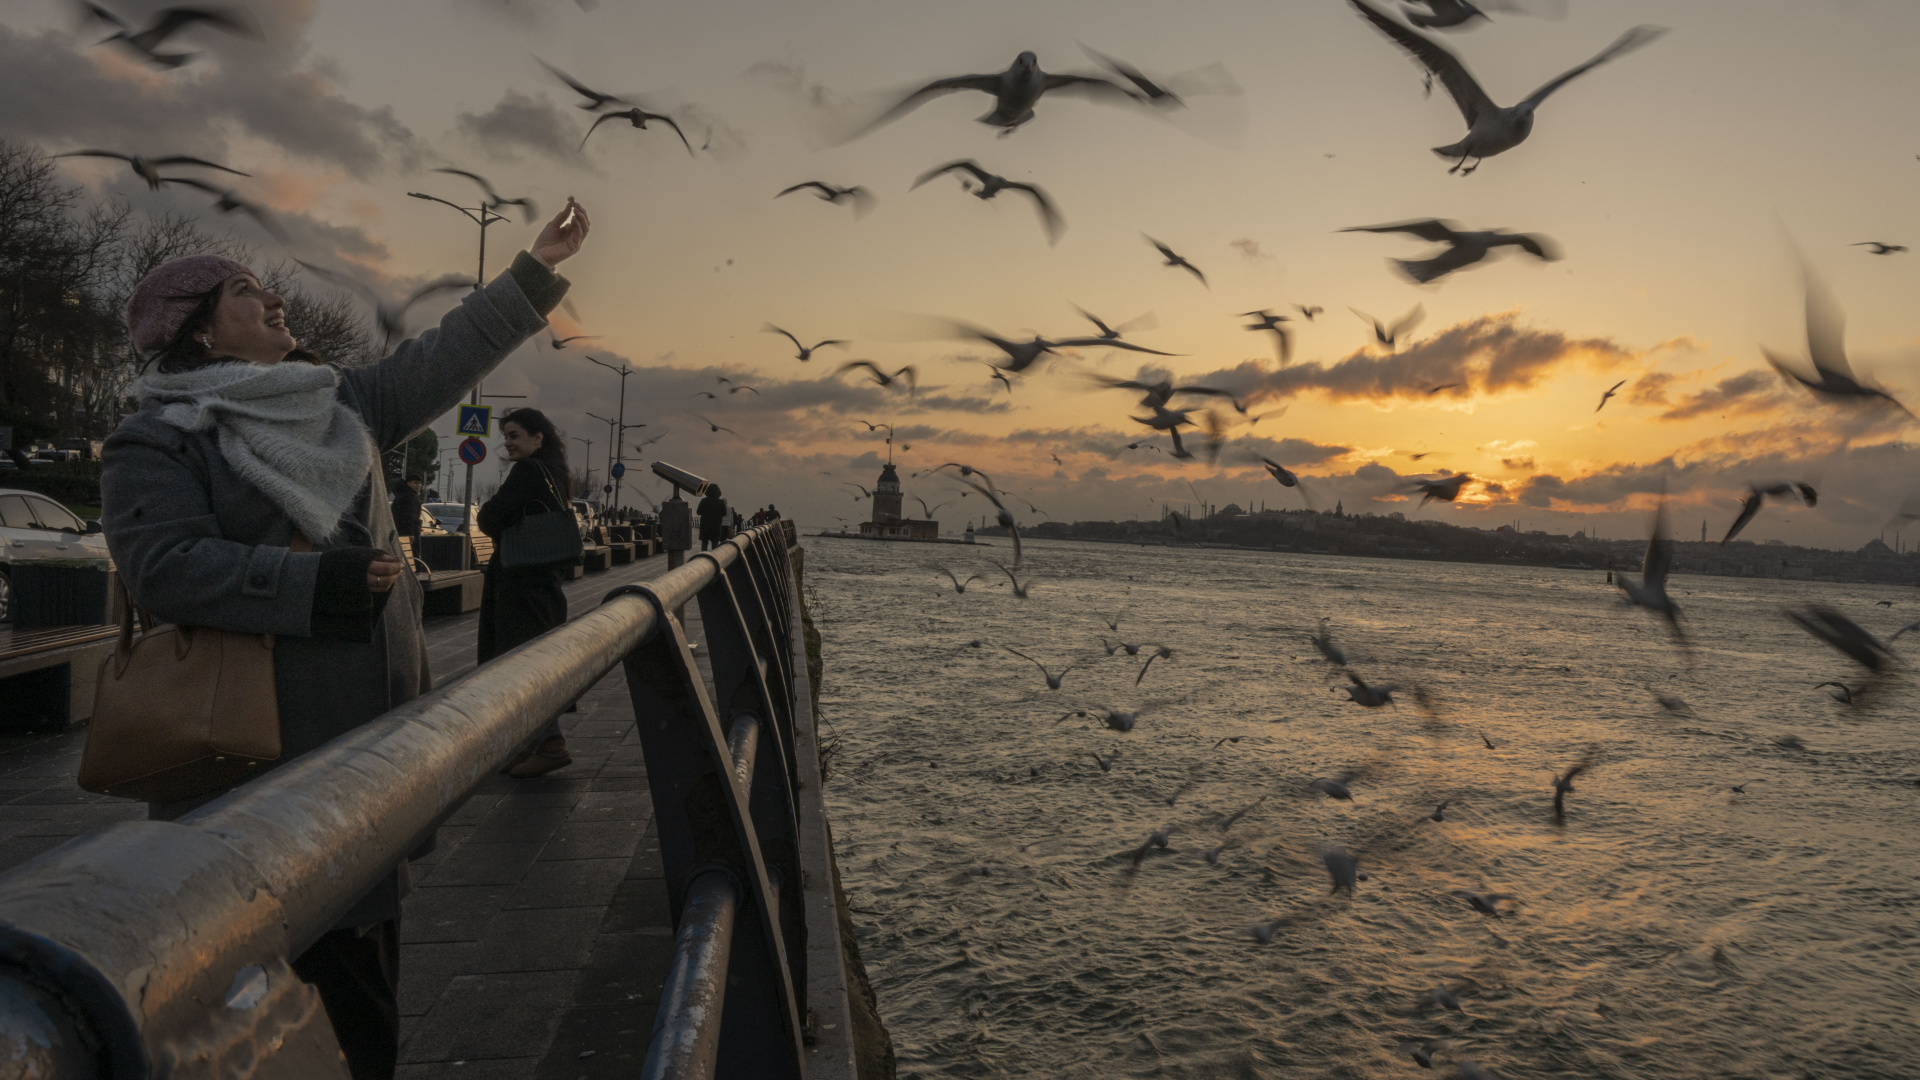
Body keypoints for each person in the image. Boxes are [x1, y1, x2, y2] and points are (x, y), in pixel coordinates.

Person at [100, 201, 591, 1080]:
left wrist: (532, 272)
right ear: (202, 335)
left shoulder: (342, 403)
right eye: (247, 295)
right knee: (257, 1005)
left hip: (365, 750)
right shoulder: (157, 437)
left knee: (362, 997)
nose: (275, 302)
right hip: (249, 760)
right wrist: (311, 585)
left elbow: (443, 358)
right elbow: (161, 568)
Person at [479, 408, 575, 778]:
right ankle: (526, 744)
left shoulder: (528, 472)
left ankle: (550, 744)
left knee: (520, 663)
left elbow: (490, 517)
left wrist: (489, 513)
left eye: (516, 435)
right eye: (506, 436)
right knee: (529, 660)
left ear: (539, 438)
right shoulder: (553, 473)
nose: (509, 442)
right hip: (542, 581)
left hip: (519, 584)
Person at [696, 484, 728, 551]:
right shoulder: (721, 502)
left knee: (704, 543)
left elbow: (698, 512)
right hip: (716, 526)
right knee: (715, 544)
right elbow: (724, 513)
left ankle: (703, 557)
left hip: (705, 525)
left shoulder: (704, 501)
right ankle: (713, 559)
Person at [392, 474, 425, 538]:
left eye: (420, 483)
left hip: (397, 530)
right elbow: (409, 515)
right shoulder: (411, 496)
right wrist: (410, 533)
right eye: (415, 483)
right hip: (407, 533)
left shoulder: (401, 494)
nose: (418, 485)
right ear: (408, 483)